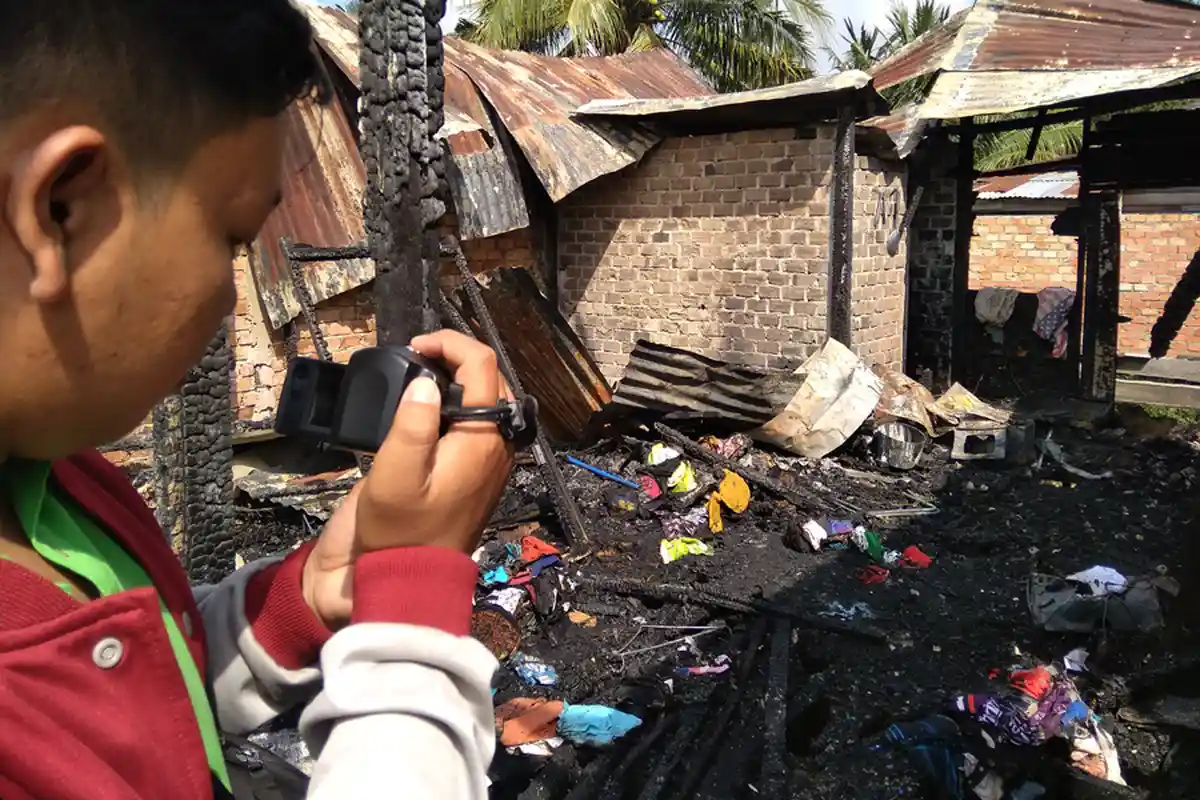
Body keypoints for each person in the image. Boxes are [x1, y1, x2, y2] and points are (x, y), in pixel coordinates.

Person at [0, 1, 506, 798]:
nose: (228, 300)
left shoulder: (51, 478)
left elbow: (135, 681)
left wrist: (302, 600)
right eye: (233, 236)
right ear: (61, 208)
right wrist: (412, 600)